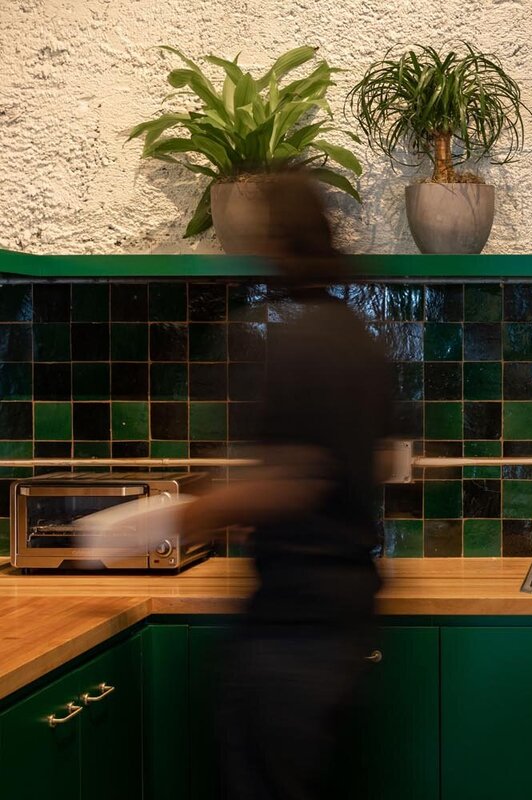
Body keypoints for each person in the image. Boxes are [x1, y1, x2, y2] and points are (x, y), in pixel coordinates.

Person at [177, 172, 393, 799]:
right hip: (346, 607)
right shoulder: (358, 339)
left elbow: (295, 481)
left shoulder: (298, 344)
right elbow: (363, 462)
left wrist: (171, 518)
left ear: (281, 243)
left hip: (295, 625)